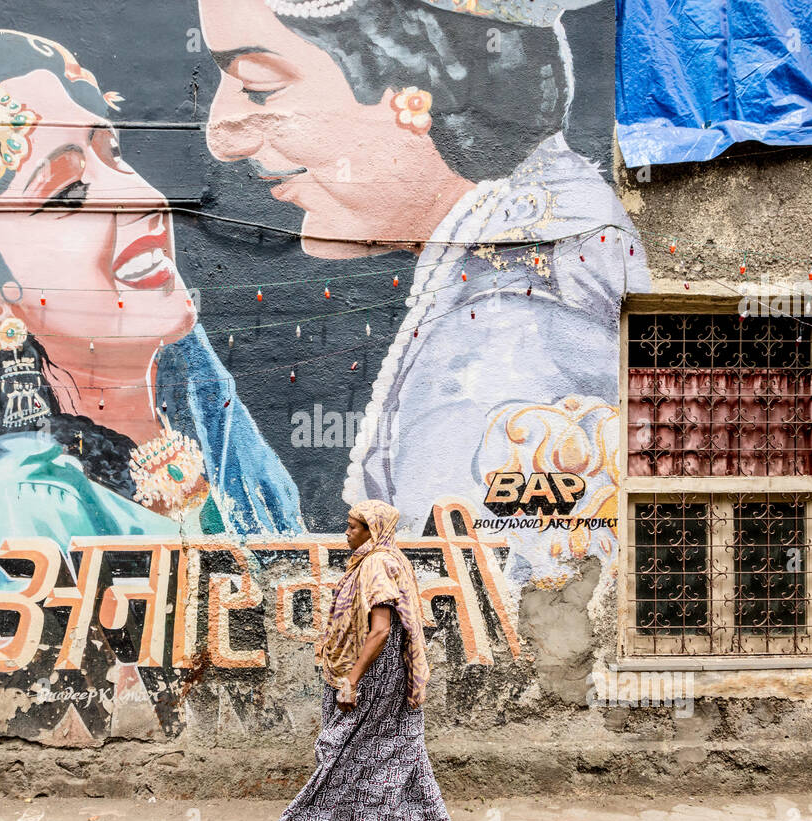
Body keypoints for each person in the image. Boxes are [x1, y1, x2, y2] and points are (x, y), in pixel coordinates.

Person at [0, 30, 305, 643]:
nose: (141, 198)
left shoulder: (213, 428)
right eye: (69, 194)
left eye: (117, 154)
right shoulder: (27, 501)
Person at [200, 0, 648, 590]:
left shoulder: (505, 338)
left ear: (421, 85)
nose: (218, 137)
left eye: (258, 86)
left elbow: (478, 630)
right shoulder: (543, 255)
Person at [260, 499, 457, 821]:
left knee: (339, 746)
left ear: (373, 530)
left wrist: (352, 680)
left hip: (373, 672)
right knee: (399, 741)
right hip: (394, 670)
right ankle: (434, 820)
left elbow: (380, 630)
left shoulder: (377, 564)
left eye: (354, 527)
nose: (346, 532)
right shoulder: (391, 558)